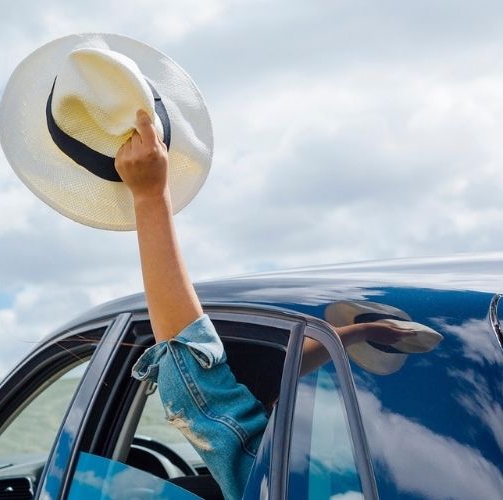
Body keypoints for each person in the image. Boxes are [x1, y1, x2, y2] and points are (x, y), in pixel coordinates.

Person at [113, 109, 415, 499]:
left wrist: (149, 197)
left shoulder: (280, 481)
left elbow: (193, 378)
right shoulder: (390, 470)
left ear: (269, 406)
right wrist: (362, 330)